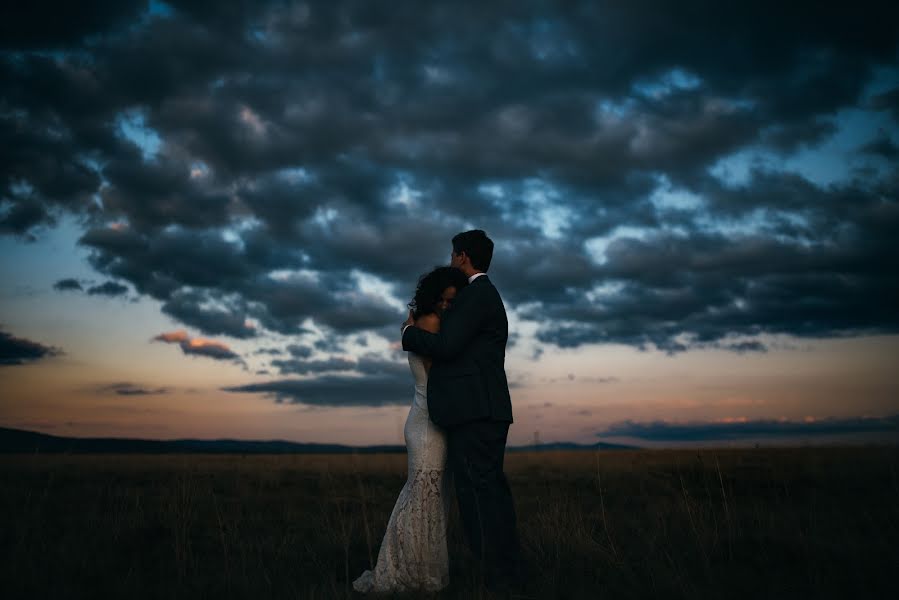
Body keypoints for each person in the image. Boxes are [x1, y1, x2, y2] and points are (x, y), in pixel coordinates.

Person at [402, 229, 522, 594]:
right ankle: (505, 572)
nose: (452, 260)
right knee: (487, 492)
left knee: (479, 496)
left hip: (476, 412)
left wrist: (408, 334)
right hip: (482, 410)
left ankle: (498, 576)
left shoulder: (477, 295)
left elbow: (449, 345)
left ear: (462, 257)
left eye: (454, 255)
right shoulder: (483, 295)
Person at [352, 266, 468, 594]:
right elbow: (441, 377)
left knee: (429, 497)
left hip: (426, 419)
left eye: (453, 301)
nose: (448, 306)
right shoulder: (431, 324)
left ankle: (420, 569)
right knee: (424, 497)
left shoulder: (421, 323)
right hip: (429, 424)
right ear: (434, 298)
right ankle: (407, 571)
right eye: (444, 300)